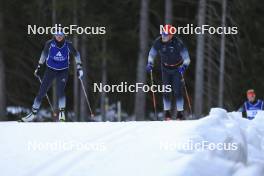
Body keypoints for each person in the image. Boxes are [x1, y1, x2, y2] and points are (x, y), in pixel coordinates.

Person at [21, 31, 84, 122]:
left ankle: (62, 112)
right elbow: (44, 54)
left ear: (63, 36)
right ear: (54, 35)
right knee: (42, 91)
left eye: (61, 35)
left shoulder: (68, 44)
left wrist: (79, 67)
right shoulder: (49, 43)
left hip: (63, 70)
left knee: (60, 91)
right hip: (50, 70)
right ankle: (33, 113)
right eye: (57, 35)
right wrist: (39, 66)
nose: (58, 37)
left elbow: (77, 54)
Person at [146, 24, 190, 120]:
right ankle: (167, 113)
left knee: (177, 91)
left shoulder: (178, 43)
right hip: (165, 69)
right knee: (166, 91)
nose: (163, 36)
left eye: (165, 35)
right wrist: (150, 63)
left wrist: (184, 66)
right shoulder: (158, 42)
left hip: (177, 68)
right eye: (162, 34)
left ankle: (180, 114)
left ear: (171, 35)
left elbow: (187, 58)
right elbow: (151, 54)